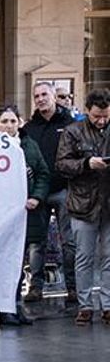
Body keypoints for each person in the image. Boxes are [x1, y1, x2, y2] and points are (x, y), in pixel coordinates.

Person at [55, 88, 110, 326]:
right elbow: (62, 164)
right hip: (83, 202)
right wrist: (87, 163)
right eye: (97, 115)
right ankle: (85, 304)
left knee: (109, 258)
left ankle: (107, 305)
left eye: (106, 115)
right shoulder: (73, 131)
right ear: (87, 111)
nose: (102, 120)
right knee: (84, 256)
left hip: (108, 201)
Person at [0, 105, 50, 326]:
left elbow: (43, 173)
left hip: (24, 214)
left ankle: (14, 307)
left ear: (19, 123)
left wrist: (36, 196)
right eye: (4, 122)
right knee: (2, 264)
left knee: (17, 262)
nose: (9, 126)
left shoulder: (29, 145)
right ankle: (2, 308)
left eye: (12, 121)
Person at [23, 81, 77, 303]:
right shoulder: (28, 128)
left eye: (44, 94)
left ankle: (72, 286)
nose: (40, 99)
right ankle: (35, 287)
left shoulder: (71, 124)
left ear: (54, 96)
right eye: (36, 96)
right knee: (37, 242)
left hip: (64, 189)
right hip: (38, 193)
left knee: (69, 242)